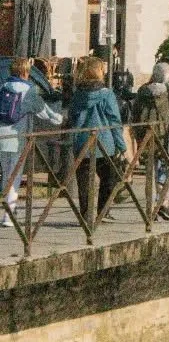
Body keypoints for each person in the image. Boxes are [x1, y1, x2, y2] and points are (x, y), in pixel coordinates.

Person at [68, 55, 128, 226]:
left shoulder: (77, 94)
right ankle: (103, 211)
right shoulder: (107, 94)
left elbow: (72, 117)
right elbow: (114, 120)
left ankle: (86, 215)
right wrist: (121, 145)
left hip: (82, 143)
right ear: (98, 72)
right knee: (110, 178)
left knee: (84, 181)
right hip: (104, 144)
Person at [129, 60, 169, 220]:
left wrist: (138, 134)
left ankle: (151, 207)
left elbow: (135, 114)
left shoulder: (143, 92)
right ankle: (163, 202)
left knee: (151, 170)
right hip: (167, 135)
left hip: (148, 135)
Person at [0, 58, 40, 225]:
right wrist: (57, 118)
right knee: (15, 175)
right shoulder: (29, 89)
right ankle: (8, 216)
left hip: (2, 136)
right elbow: (40, 109)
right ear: (25, 72)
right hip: (18, 136)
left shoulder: (3, 87)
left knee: (6, 173)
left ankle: (8, 208)